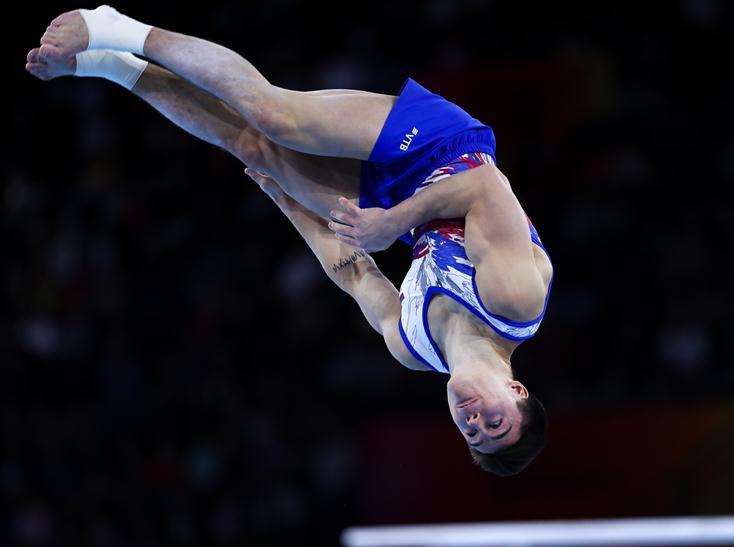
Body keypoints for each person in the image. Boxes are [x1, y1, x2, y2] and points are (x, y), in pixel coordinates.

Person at [27, 5, 553, 475]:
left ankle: (109, 67)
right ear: (516, 391)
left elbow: (352, 272)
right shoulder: (514, 300)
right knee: (276, 117)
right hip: (444, 151)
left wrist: (288, 202)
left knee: (255, 149)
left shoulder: (412, 348)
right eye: (495, 422)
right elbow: (485, 184)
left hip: (398, 209)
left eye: (472, 433)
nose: (475, 420)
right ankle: (116, 27)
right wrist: (393, 224)